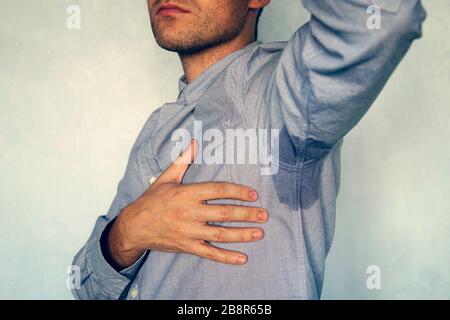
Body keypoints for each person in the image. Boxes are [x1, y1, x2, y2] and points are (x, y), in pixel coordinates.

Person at [72, 0, 426, 299]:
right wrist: (125, 234)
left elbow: (380, 17)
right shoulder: (156, 129)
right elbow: (85, 286)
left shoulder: (285, 93)